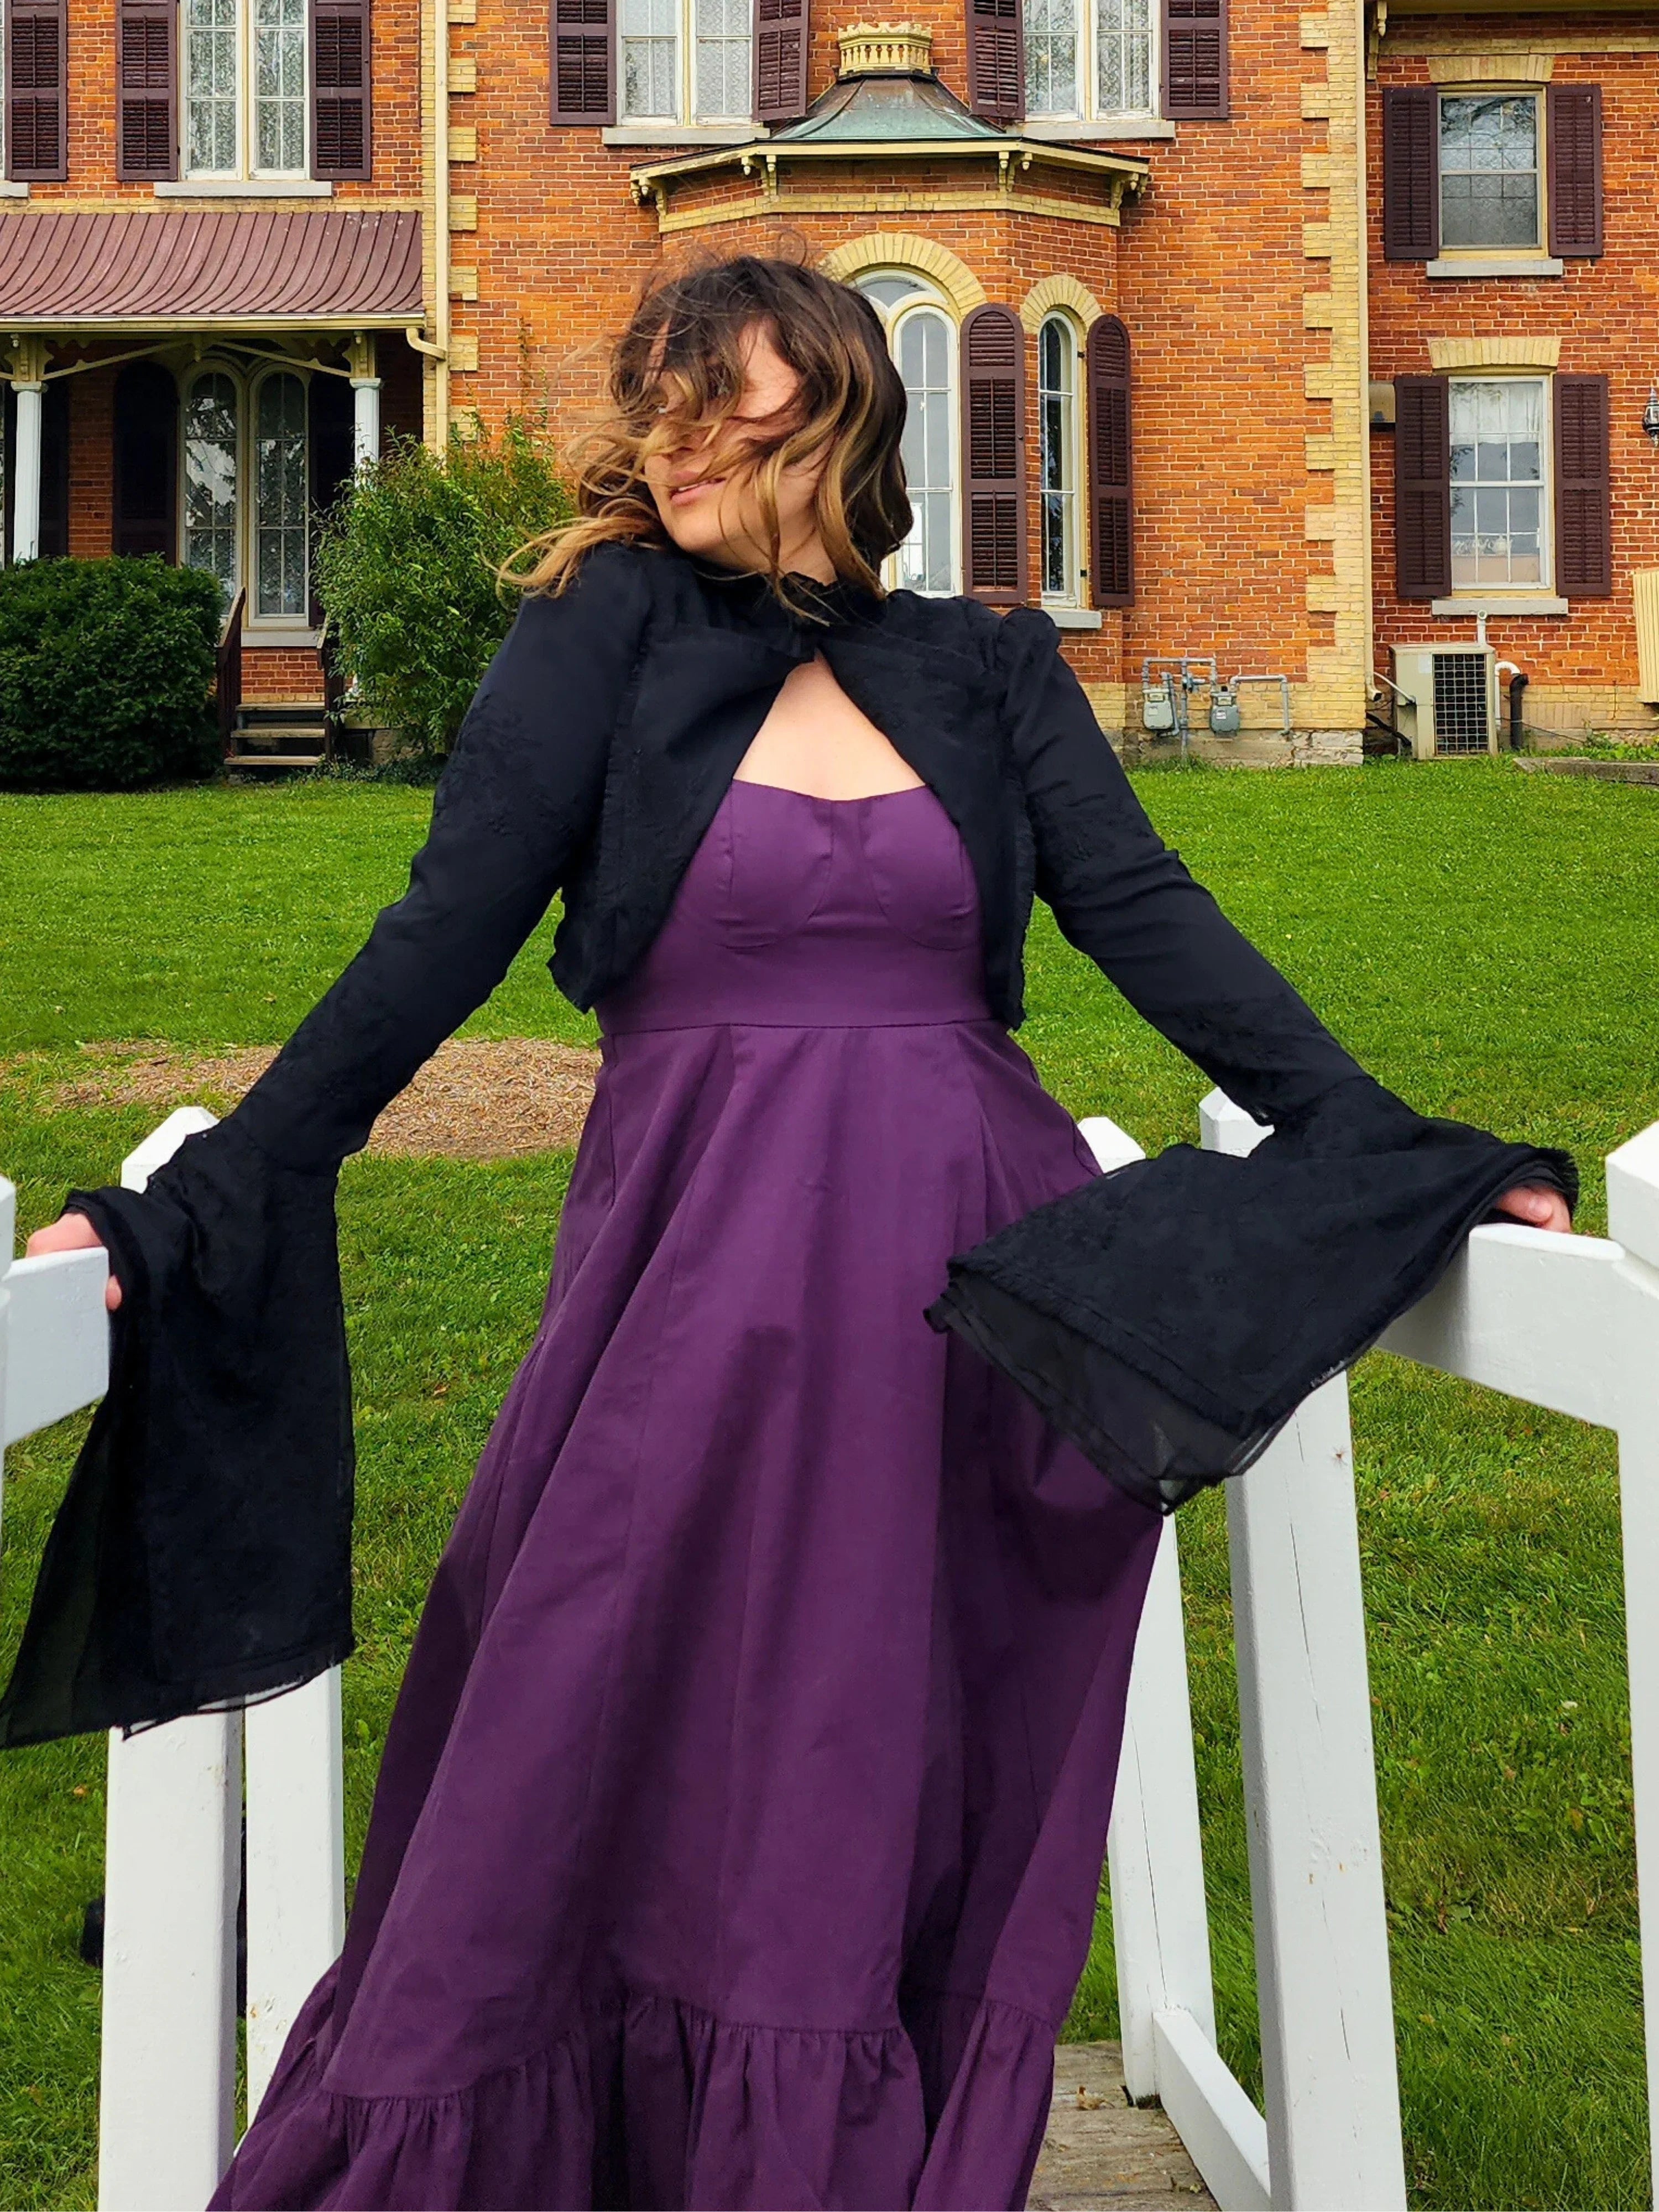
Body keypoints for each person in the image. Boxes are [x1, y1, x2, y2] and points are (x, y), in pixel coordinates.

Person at [22, 254, 1571, 2210]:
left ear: (831, 413)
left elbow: (1152, 920)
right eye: (654, 400)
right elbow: (442, 930)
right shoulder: (601, 630)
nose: (672, 439)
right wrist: (225, 1185)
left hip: (961, 1302)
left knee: (884, 1764)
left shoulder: (989, 667)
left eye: (719, 407)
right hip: (697, 1279)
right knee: (584, 1715)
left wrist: (1389, 1142)